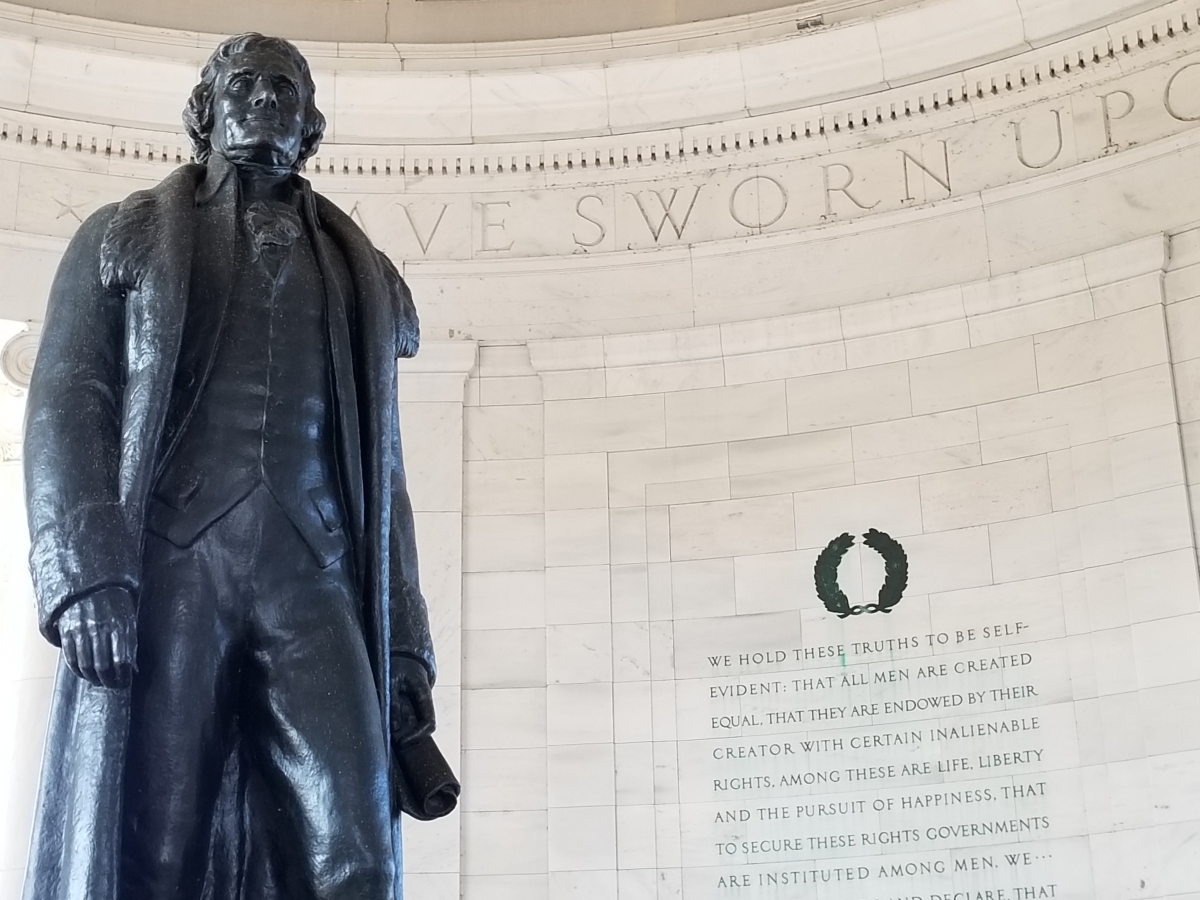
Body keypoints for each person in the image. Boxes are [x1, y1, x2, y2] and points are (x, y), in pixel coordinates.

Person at [22, 32, 443, 900]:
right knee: (156, 847)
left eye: (284, 88)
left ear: (311, 125)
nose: (264, 100)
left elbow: (385, 474)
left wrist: (404, 647)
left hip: (316, 578)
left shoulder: (362, 275)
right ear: (205, 112)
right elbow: (70, 400)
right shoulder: (126, 235)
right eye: (243, 85)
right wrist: (84, 576)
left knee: (355, 851)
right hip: (175, 567)